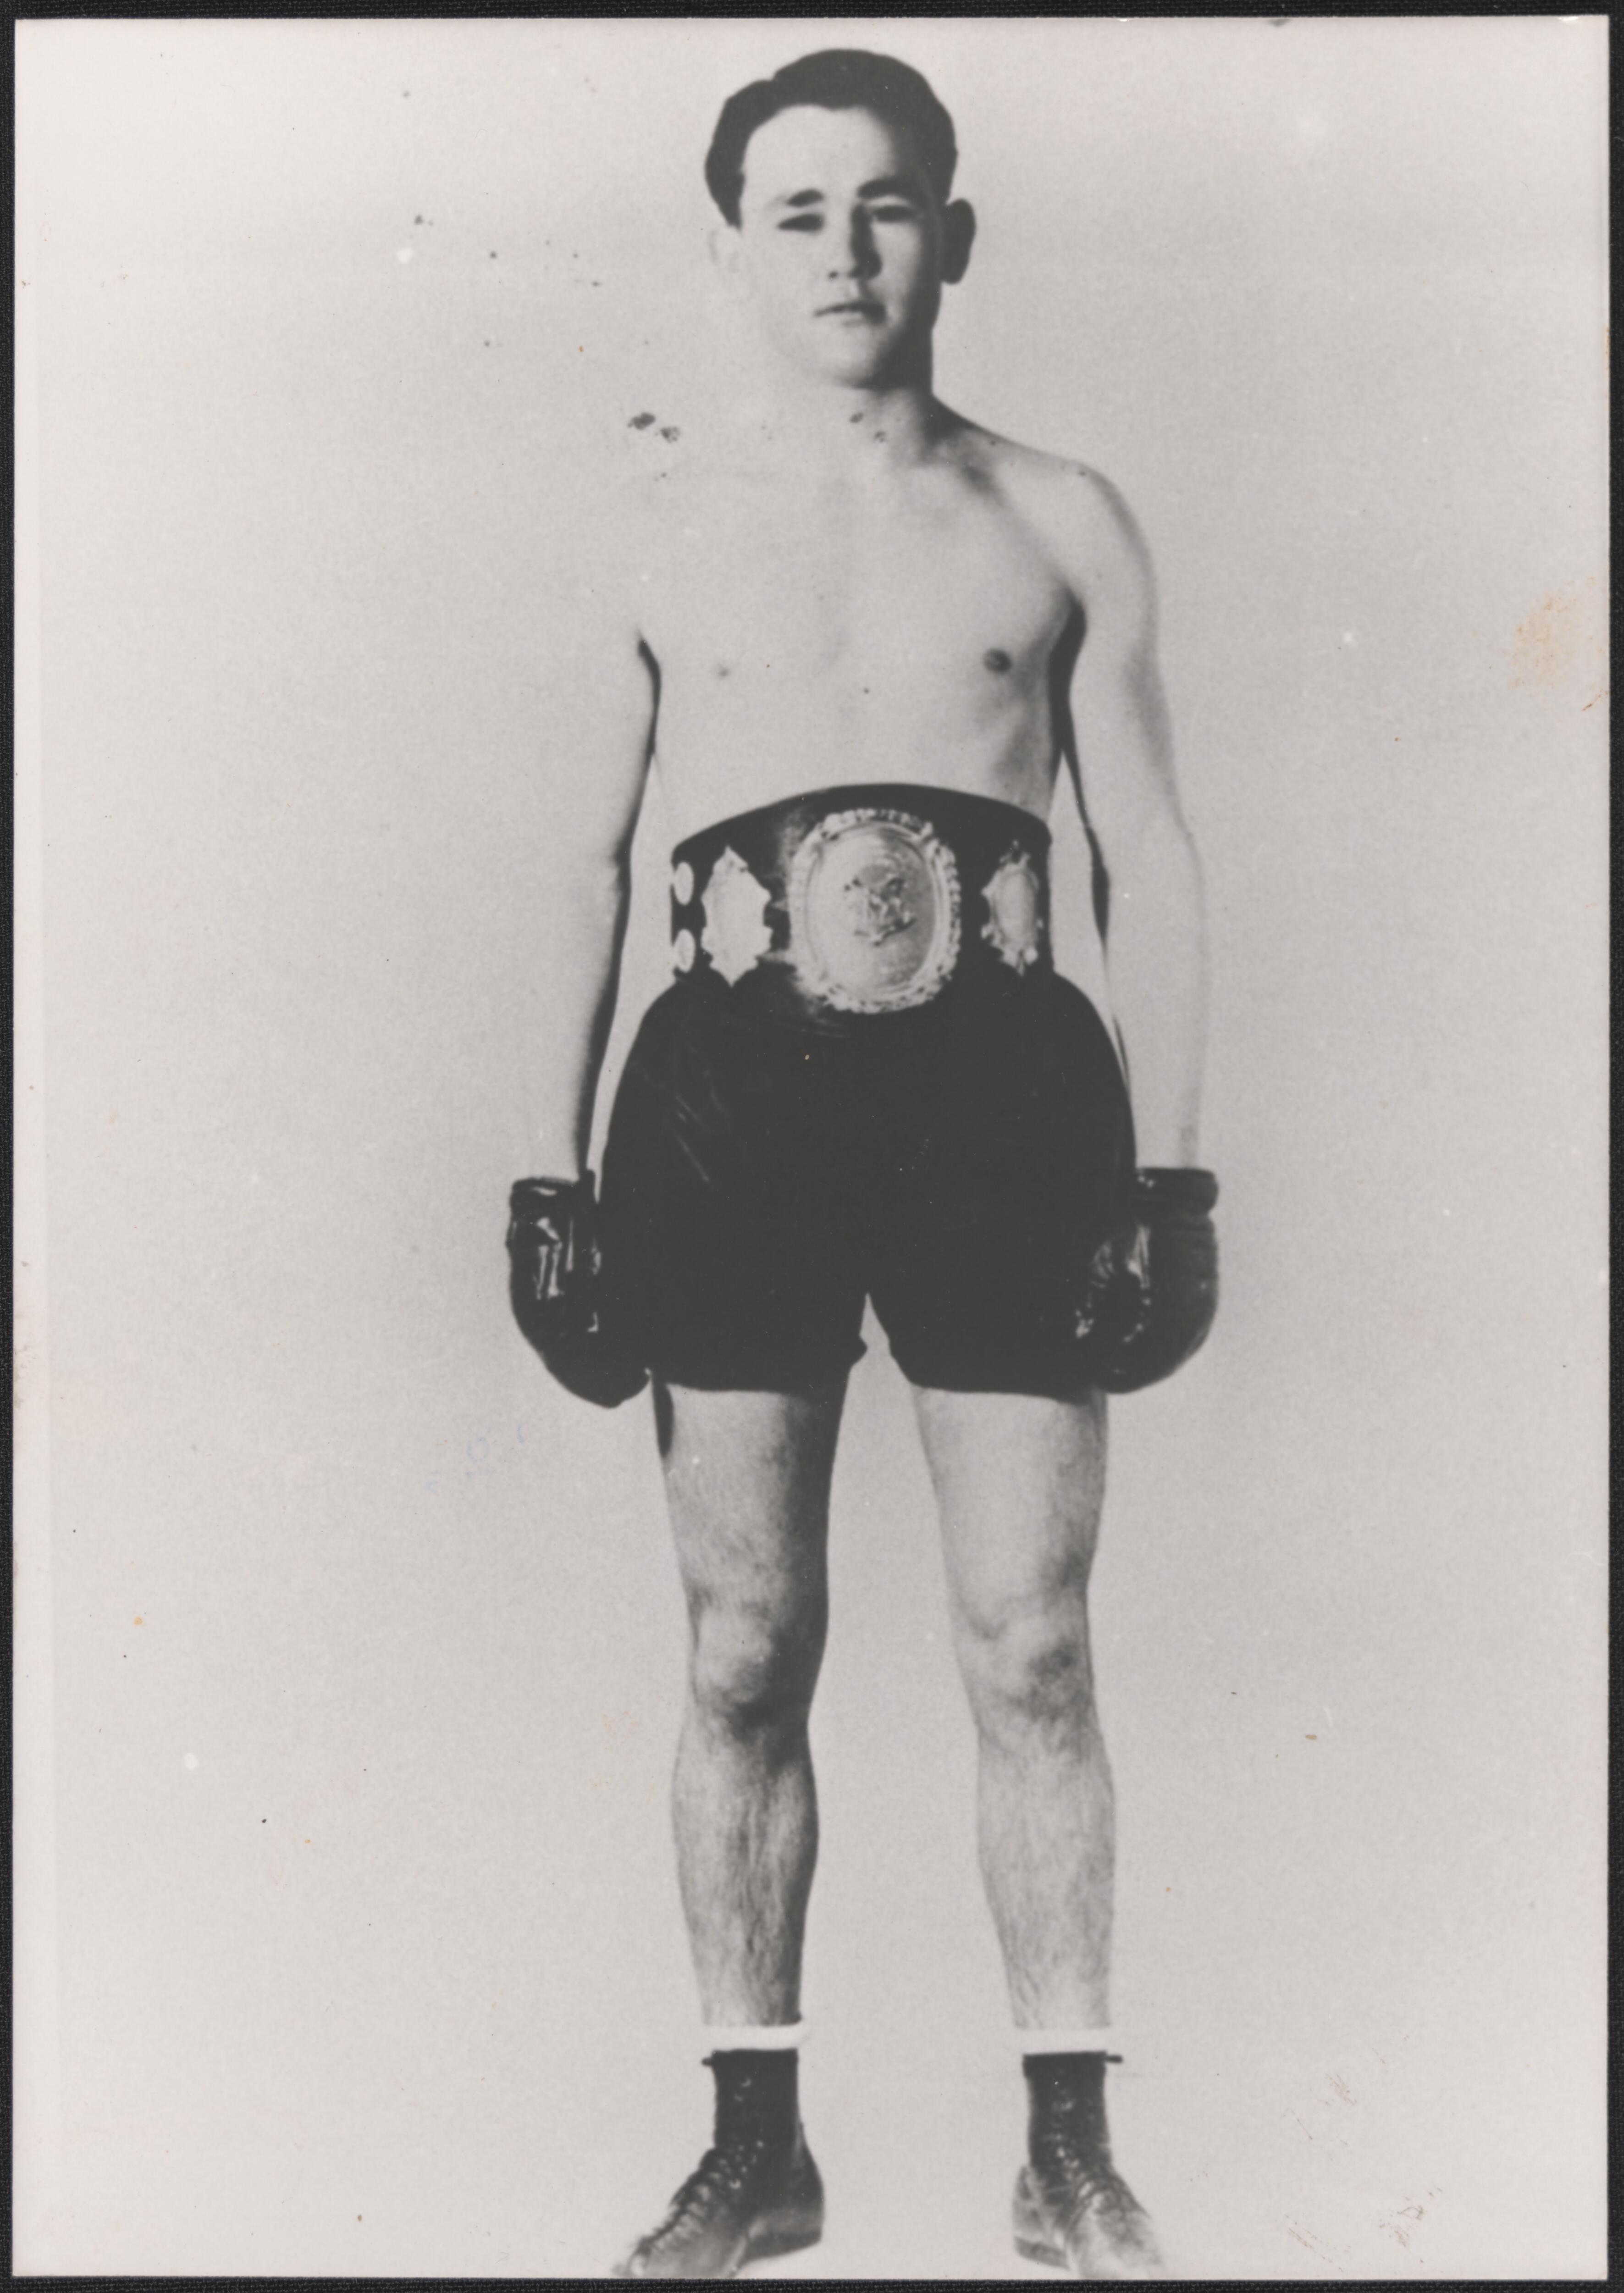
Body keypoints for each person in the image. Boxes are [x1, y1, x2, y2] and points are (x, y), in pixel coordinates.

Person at [506, 48, 1217, 2281]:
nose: (844, 250)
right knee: (741, 1645)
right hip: (726, 1114)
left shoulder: (1059, 515)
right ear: (730, 242)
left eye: (886, 206)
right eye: (797, 211)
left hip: (1006, 1104)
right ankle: (755, 2141)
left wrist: (1174, 1175)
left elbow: (1155, 857)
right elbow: (576, 857)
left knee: (1029, 1641)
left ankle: (1069, 2149)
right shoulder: (646, 522)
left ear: (955, 236)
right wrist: (545, 1172)